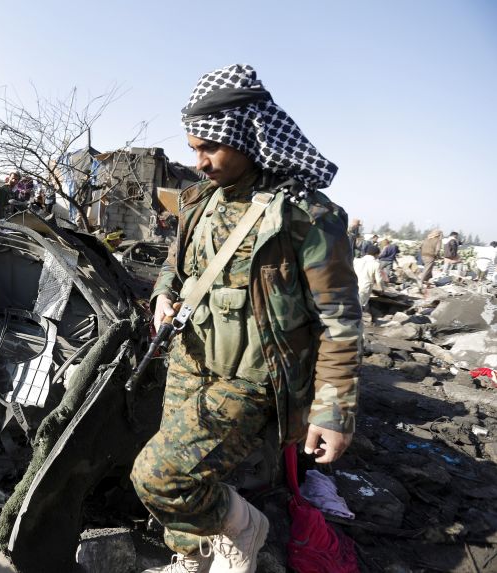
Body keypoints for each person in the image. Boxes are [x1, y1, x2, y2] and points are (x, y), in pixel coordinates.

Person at [130, 64, 360, 573]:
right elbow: (176, 265)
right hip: (190, 362)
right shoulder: (199, 201)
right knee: (188, 473)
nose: (200, 161)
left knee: (159, 475)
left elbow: (340, 319)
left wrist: (334, 410)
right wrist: (164, 295)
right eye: (193, 149)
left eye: (210, 148)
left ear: (245, 135)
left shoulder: (305, 215)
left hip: (254, 379)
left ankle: (244, 527)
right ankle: (192, 557)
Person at [354, 243, 384, 320]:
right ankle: (356, 322)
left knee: (353, 303)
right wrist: (381, 289)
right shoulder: (376, 264)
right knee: (359, 305)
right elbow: (379, 279)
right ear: (376, 254)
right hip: (365, 287)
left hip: (353, 285)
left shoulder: (356, 260)